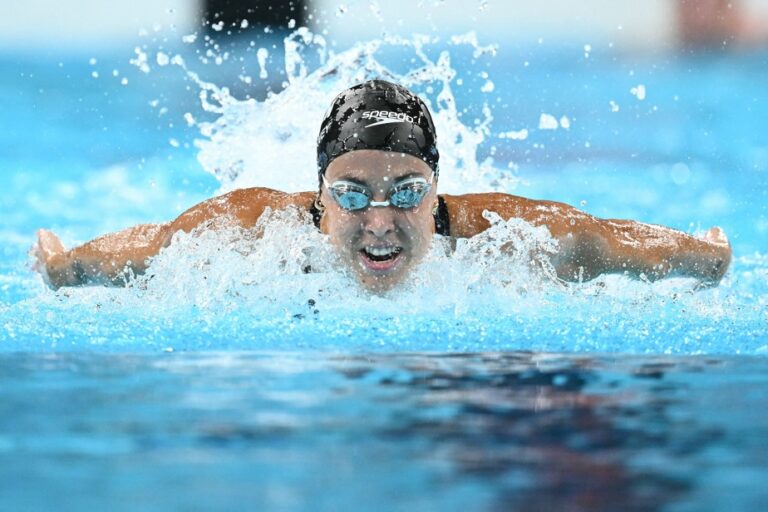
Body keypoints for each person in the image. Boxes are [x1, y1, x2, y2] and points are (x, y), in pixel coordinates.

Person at [32, 80, 732, 293]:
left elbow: (614, 240)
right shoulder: (251, 230)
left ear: (436, 191)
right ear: (317, 192)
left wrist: (706, 257)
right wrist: (66, 266)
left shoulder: (509, 233)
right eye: (350, 193)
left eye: (405, 193)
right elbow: (152, 247)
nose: (377, 221)